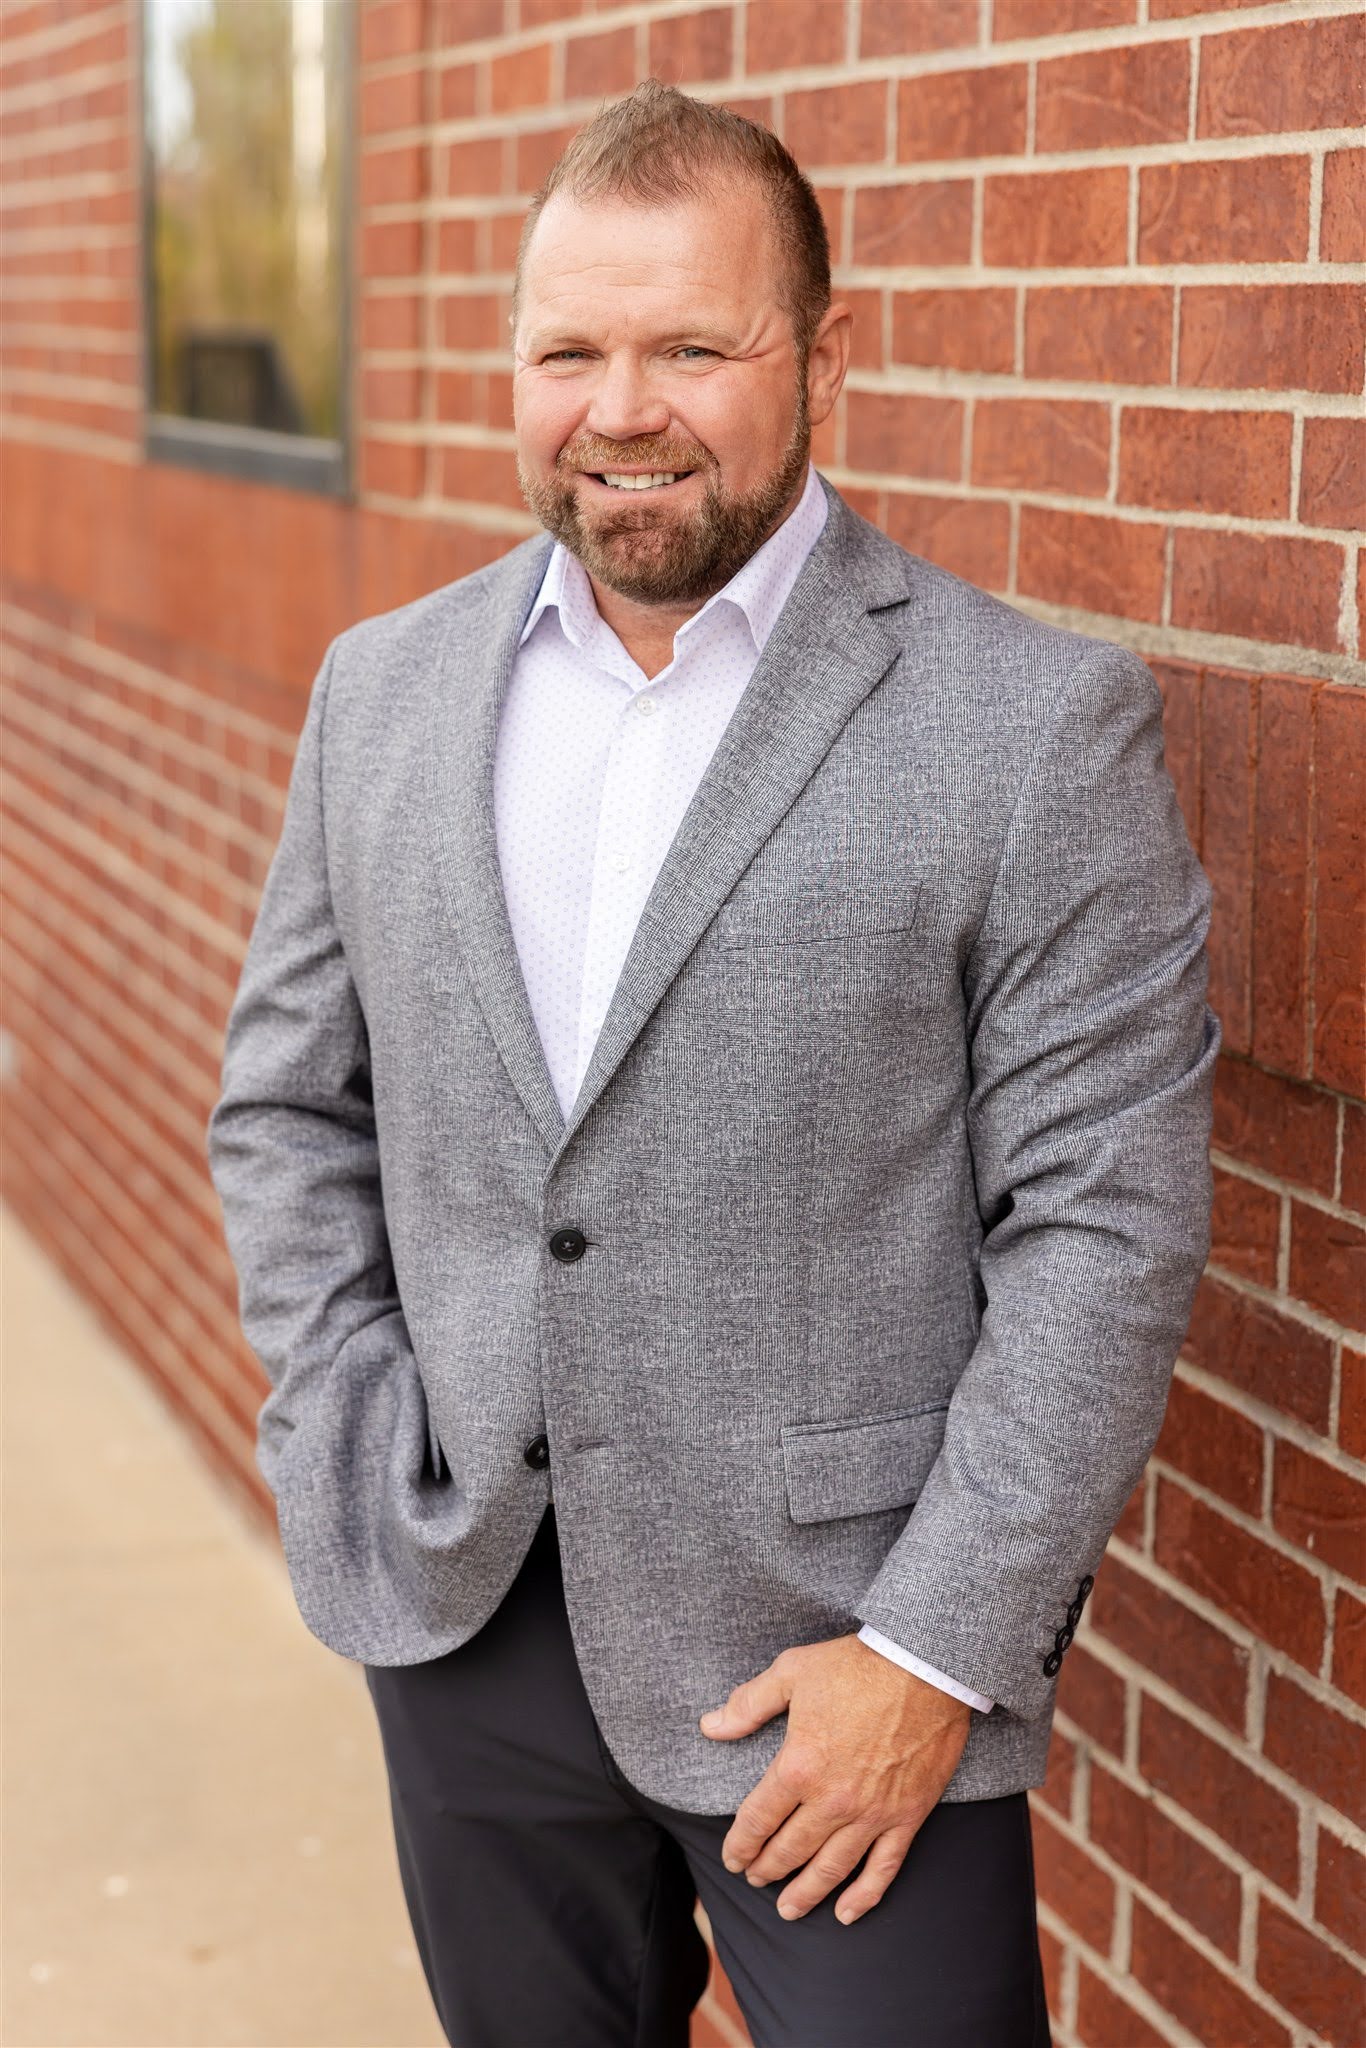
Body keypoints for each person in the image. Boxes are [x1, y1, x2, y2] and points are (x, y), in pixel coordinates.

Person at [206, 79, 1220, 2048]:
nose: (619, 407)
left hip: (834, 1662)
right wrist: (345, 1419)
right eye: (567, 349)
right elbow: (286, 1104)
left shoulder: (1031, 726)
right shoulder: (384, 692)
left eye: (692, 344)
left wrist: (928, 1655)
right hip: (464, 1610)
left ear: (825, 352)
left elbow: (1105, 1230)